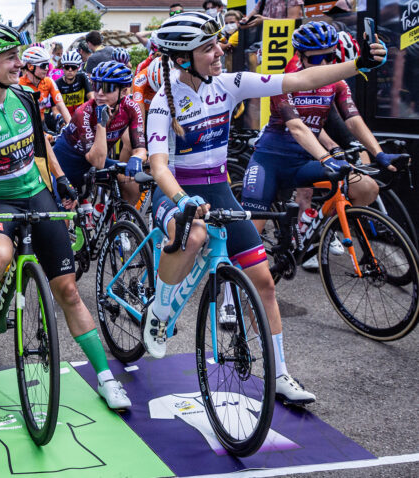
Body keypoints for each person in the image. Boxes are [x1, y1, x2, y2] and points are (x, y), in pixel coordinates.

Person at [144, 12, 386, 405]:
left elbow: (300, 79)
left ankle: (279, 373)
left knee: (265, 283)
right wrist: (183, 201)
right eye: (209, 48)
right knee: (194, 235)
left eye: (218, 43)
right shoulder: (162, 102)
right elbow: (158, 167)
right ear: (183, 58)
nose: (220, 51)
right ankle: (159, 309)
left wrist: (359, 64)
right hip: (176, 190)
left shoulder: (229, 84)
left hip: (218, 188)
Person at [0, 23, 132, 411]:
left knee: (67, 290)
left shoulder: (27, 99)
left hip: (38, 194)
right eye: (10, 57)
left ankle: (105, 378)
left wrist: (62, 182)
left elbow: (42, 147)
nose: (19, 63)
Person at [240, 22, 397, 270]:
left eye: (331, 56)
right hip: (270, 161)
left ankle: (318, 230)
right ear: (300, 56)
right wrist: (326, 157)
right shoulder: (284, 80)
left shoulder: (336, 82)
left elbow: (353, 120)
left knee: (366, 187)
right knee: (247, 246)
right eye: (318, 58)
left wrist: (379, 153)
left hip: (302, 163)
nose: (326, 64)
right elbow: (297, 127)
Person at [54, 61, 146, 204]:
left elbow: (140, 149)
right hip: (66, 164)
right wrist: (101, 122)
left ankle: (122, 221)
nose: (100, 94)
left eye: (107, 88)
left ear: (123, 91)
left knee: (132, 185)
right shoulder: (83, 112)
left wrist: (138, 158)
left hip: (94, 159)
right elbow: (97, 161)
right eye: (97, 87)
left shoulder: (131, 108)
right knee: (62, 218)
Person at [19, 45, 71, 132]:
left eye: (48, 65)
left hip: (43, 125)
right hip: (26, 128)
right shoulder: (19, 85)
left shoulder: (49, 82)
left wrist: (71, 125)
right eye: (43, 65)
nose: (47, 69)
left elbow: (61, 106)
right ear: (30, 67)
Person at [55, 50, 93, 117]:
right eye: (67, 67)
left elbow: (91, 98)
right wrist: (59, 119)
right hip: (66, 117)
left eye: (73, 67)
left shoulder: (82, 77)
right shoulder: (57, 84)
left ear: (78, 68)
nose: (70, 70)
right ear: (63, 68)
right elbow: (55, 108)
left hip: (82, 115)